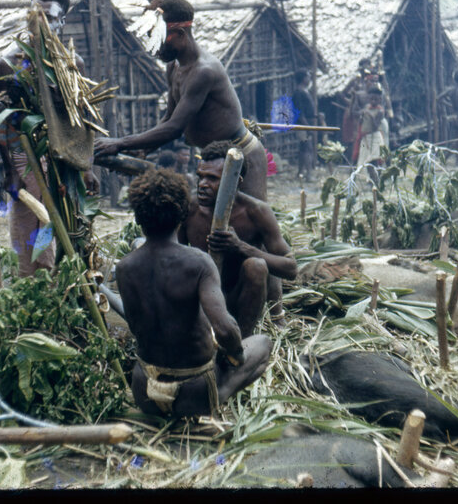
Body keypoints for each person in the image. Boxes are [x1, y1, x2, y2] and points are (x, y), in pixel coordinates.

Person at [116, 168, 272, 418]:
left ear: (137, 218)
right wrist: (235, 356)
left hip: (144, 392)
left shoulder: (124, 267)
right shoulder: (198, 262)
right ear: (182, 213)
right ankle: (220, 395)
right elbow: (225, 329)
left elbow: (133, 321)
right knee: (263, 343)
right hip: (195, 394)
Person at [94, 0, 268, 201]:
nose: (154, 47)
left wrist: (121, 143)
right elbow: (169, 117)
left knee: (248, 223)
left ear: (179, 33)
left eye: (158, 38)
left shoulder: (203, 71)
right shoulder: (173, 67)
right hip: (215, 158)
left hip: (242, 154)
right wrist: (144, 149)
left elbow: (175, 128)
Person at [0, 0, 88, 276]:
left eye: (49, 16)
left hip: (64, 159)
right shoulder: (11, 63)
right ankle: (32, 283)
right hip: (25, 159)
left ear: (63, 20)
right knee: (29, 226)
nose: (40, 22)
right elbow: (4, 121)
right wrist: (11, 169)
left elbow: (80, 120)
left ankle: (61, 283)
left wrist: (86, 167)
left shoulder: (74, 64)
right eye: (35, 13)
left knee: (64, 226)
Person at [178, 141, 297, 336]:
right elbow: (176, 254)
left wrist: (241, 247)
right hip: (201, 297)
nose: (202, 185)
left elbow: (291, 268)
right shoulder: (190, 209)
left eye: (212, 178)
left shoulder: (256, 212)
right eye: (201, 177)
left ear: (236, 181)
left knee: (256, 266)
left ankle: (241, 342)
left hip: (239, 299)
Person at [355, 86, 390, 181]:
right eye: (371, 99)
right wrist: (362, 116)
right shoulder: (367, 107)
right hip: (366, 137)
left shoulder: (380, 111)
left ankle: (377, 181)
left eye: (375, 99)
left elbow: (375, 126)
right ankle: (372, 180)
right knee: (366, 161)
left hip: (375, 137)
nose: (373, 101)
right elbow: (358, 117)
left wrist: (369, 114)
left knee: (374, 160)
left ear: (380, 99)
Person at [291, 69, 316, 181]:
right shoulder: (298, 93)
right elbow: (300, 113)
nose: (310, 79)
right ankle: (309, 175)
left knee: (303, 148)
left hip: (306, 123)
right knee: (307, 148)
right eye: (308, 76)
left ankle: (300, 173)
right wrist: (308, 127)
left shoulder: (304, 91)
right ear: (303, 78)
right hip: (302, 124)